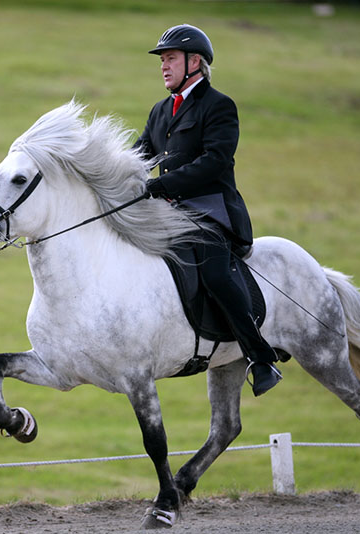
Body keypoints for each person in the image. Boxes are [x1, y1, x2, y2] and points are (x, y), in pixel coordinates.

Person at [133, 24, 282, 396]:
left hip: (211, 211)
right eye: (162, 60)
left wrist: (161, 185)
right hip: (170, 212)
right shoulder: (160, 111)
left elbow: (215, 161)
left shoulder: (218, 105)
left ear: (194, 61)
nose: (163, 66)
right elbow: (138, 156)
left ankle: (261, 358)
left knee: (215, 275)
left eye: (170, 59)